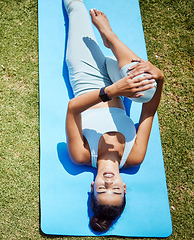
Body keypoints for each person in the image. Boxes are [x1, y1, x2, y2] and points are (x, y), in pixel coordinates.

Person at [63, 0, 164, 232]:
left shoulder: (82, 155)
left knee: (76, 9)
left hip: (88, 80)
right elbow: (149, 112)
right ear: (124, 187)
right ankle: (111, 37)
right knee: (146, 89)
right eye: (116, 190)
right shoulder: (134, 157)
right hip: (122, 79)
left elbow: (73, 109)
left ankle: (110, 40)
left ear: (92, 185)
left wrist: (115, 90)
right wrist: (159, 79)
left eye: (102, 189)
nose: (109, 182)